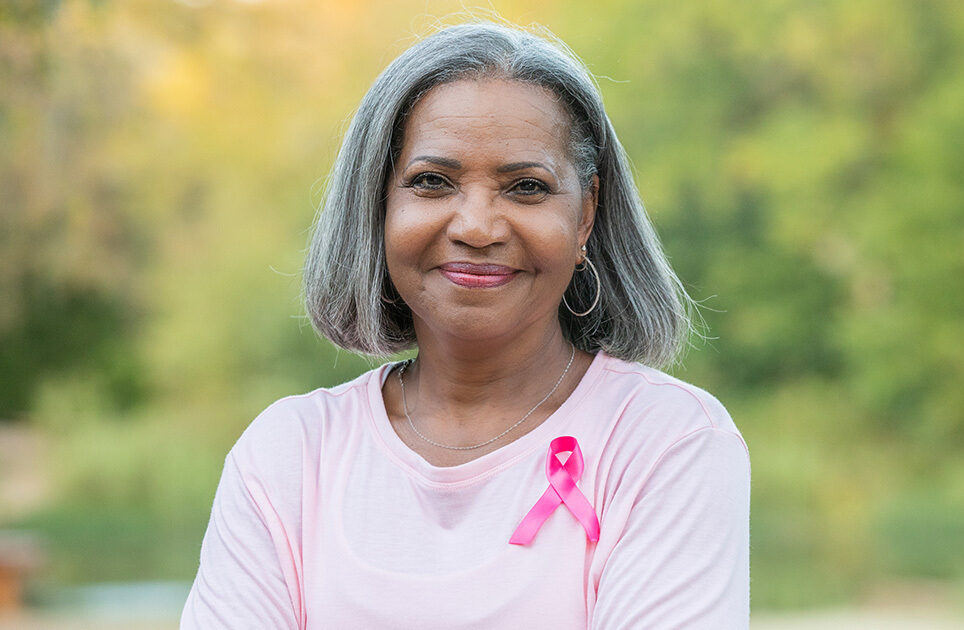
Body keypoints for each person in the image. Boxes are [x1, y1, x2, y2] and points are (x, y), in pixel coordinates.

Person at [181, 20, 749, 629]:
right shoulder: (290, 455)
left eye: (526, 187)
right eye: (432, 182)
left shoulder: (666, 443)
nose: (477, 227)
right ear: (379, 205)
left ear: (585, 215)